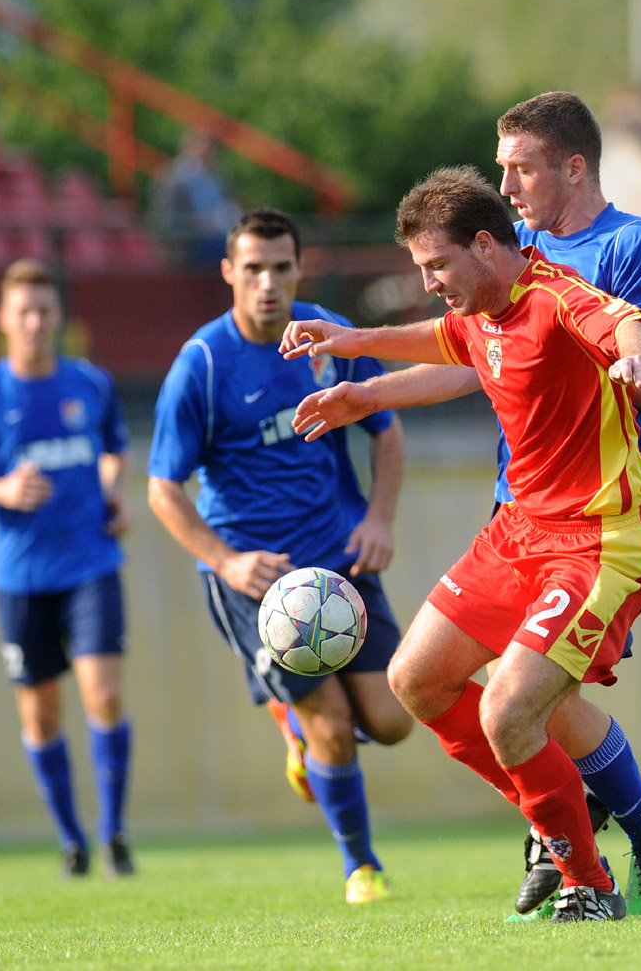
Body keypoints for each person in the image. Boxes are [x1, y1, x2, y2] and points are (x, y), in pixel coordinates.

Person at [289, 92, 641, 920]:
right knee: (419, 680)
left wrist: (640, 359)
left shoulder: (583, 272)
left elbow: (624, 323)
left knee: (515, 705)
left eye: (435, 268)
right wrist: (357, 367)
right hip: (517, 524)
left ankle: (591, 872)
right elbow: (456, 348)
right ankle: (563, 815)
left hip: (596, 535)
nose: (507, 185)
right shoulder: (495, 283)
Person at [147, 208, 412, 904]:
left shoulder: (329, 336)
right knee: (333, 725)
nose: (267, 282)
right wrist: (226, 562)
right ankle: (361, 867)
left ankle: (295, 729)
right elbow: (162, 489)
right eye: (253, 268)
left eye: (280, 267)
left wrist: (379, 517)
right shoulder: (202, 365)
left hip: (338, 559)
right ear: (229, 272)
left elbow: (385, 430)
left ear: (299, 269)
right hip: (255, 577)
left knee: (391, 721)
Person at [0, 258, 135, 878]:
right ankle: (70, 839)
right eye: (22, 311)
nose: (34, 322)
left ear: (58, 317)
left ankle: (113, 834)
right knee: (41, 712)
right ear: (3, 319)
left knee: (104, 694)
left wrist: (112, 492)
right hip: (22, 578)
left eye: (43, 310)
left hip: (91, 564)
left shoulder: (91, 384)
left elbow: (113, 451)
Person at [151, 131, 242, 265]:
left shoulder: (215, 177)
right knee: (239, 250)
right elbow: (165, 223)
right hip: (189, 244)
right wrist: (201, 225)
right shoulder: (173, 179)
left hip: (219, 236)